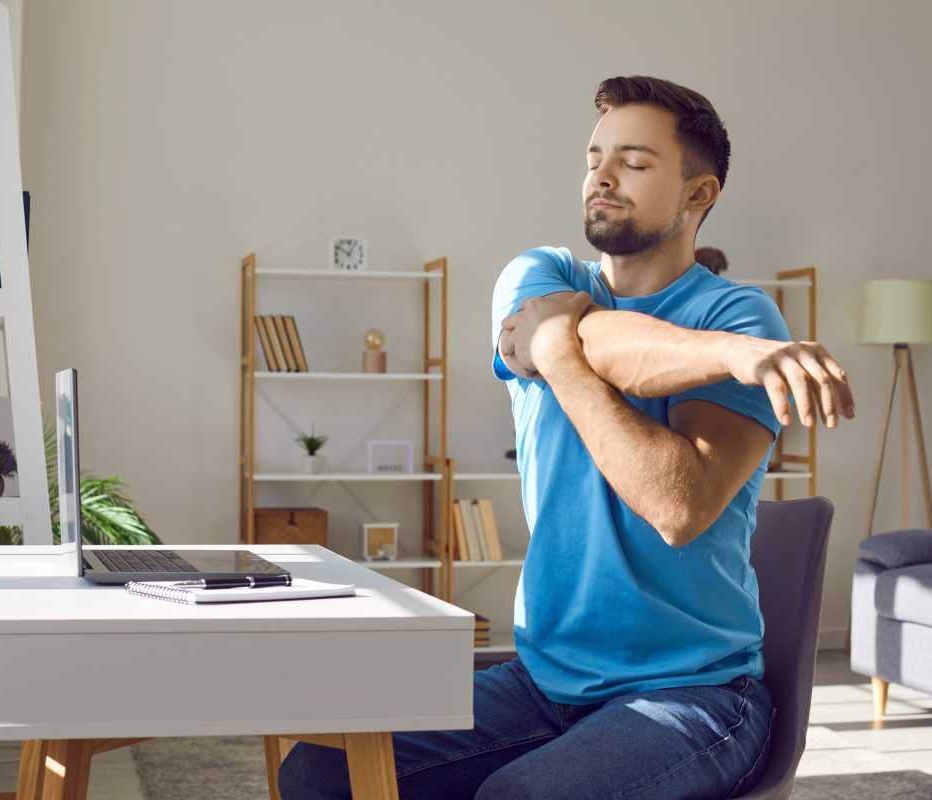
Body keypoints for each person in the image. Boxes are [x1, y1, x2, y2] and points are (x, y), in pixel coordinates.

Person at [279, 74, 855, 800]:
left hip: (698, 696)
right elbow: (585, 338)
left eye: (636, 162)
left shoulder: (743, 316)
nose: (602, 177)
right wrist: (730, 359)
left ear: (698, 195)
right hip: (541, 679)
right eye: (594, 157)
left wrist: (557, 349)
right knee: (319, 770)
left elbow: (675, 507)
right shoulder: (538, 272)